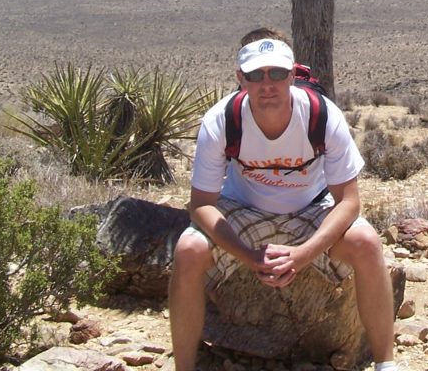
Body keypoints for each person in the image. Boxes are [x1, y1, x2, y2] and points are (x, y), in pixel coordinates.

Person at [168, 29, 396, 371]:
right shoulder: (221, 120)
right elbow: (200, 204)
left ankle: (386, 364)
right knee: (188, 251)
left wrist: (305, 254)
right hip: (242, 211)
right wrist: (246, 255)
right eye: (255, 75)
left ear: (292, 74)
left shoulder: (322, 115)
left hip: (310, 209)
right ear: (240, 79)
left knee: (366, 241)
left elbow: (348, 201)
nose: (267, 84)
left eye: (276, 73)